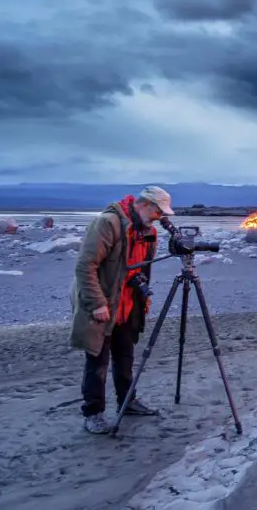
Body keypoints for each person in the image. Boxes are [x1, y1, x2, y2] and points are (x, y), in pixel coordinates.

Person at [70, 186, 175, 434]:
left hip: (128, 304)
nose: (161, 217)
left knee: (125, 357)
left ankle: (127, 402)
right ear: (145, 205)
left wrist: (143, 299)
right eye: (159, 211)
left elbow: (143, 269)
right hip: (102, 301)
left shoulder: (148, 230)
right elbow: (85, 266)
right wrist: (97, 304)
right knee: (98, 360)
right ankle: (93, 413)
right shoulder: (108, 223)